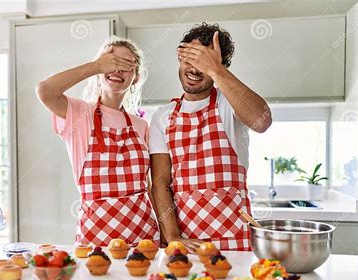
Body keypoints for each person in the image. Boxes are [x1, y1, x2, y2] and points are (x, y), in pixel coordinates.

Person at [149, 23, 272, 253]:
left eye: (204, 64)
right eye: (191, 60)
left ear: (221, 66)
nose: (195, 70)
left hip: (233, 244)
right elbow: (160, 184)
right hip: (186, 243)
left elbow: (261, 121)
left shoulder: (229, 105)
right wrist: (174, 237)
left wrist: (216, 70)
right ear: (179, 56)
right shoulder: (162, 117)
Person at [36, 37, 160, 247]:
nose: (117, 70)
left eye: (126, 65)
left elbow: (149, 187)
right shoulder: (79, 114)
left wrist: (166, 235)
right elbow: (45, 90)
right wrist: (96, 66)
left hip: (144, 234)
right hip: (96, 236)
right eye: (112, 62)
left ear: (136, 77)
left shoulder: (141, 125)